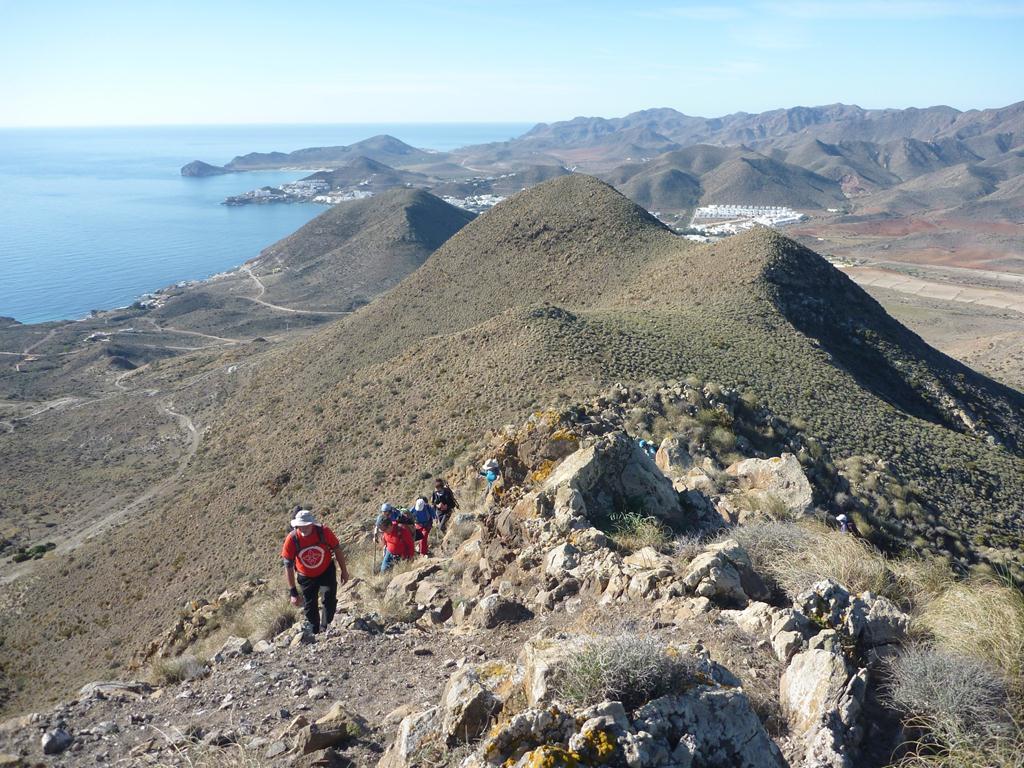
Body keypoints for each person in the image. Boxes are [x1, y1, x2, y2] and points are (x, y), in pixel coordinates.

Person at [280, 509, 349, 634]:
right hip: (305, 576)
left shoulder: (324, 532)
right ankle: (315, 632)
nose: (303, 528)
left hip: (326, 571)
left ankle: (326, 628)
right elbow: (288, 565)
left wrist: (344, 571)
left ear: (312, 524)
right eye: (300, 526)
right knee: (310, 607)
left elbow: (337, 549)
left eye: (306, 525)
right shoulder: (292, 539)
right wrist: (293, 592)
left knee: (329, 599)